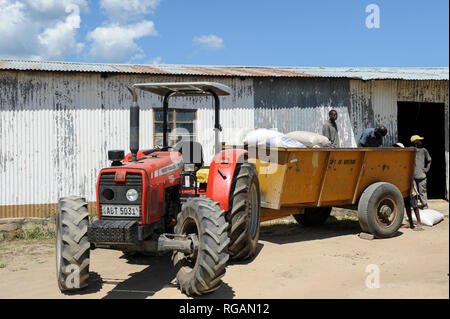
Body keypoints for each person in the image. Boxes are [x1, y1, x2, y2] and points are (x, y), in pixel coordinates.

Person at [394, 142, 424, 231]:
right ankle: (411, 223)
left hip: (410, 184)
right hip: (403, 184)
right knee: (407, 205)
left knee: (414, 204)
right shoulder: (396, 159)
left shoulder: (407, 158)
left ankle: (419, 223)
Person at [411, 135, 432, 209]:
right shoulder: (411, 150)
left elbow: (429, 160)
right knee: (413, 193)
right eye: (419, 140)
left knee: (422, 191)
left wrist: (427, 169)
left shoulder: (424, 150)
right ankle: (415, 206)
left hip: (421, 175)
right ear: (415, 142)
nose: (421, 141)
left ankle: (424, 204)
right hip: (412, 176)